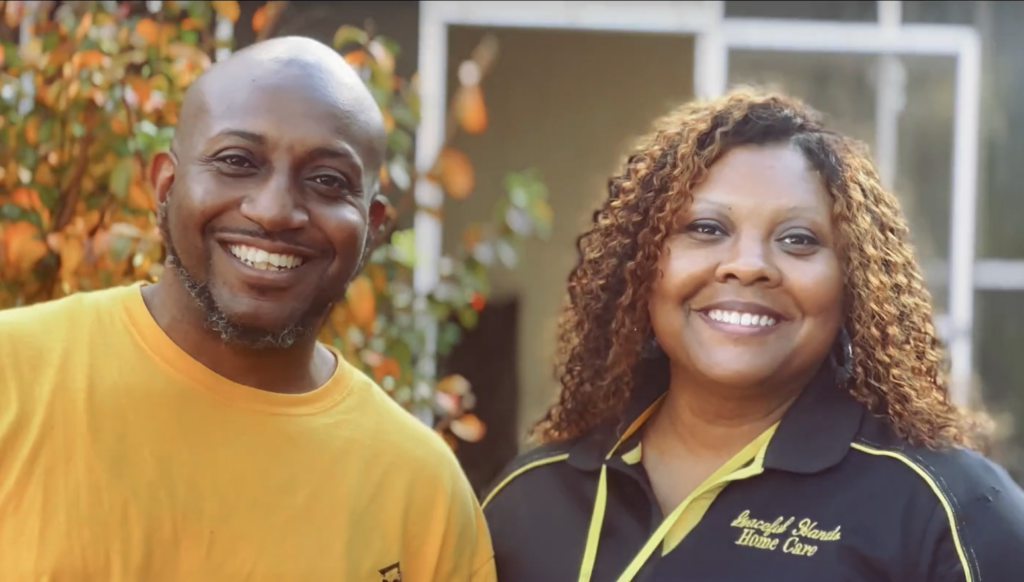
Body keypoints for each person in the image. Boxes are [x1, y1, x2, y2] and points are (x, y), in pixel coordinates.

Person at [0, 36, 495, 582]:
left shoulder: (423, 494)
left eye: (327, 180)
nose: (275, 210)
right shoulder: (15, 376)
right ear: (164, 185)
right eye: (237, 161)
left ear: (372, 226)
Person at [482, 88, 1024, 582]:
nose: (747, 266)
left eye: (797, 239)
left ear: (852, 283)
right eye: (707, 229)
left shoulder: (949, 513)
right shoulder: (528, 500)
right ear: (640, 264)